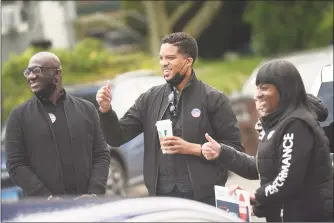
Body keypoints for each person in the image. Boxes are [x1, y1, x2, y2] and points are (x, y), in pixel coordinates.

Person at [96, 32, 244, 205]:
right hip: (162, 201)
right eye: (161, 58)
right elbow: (117, 137)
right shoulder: (150, 98)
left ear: (188, 61)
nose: (164, 63)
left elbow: (235, 151)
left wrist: (194, 148)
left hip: (204, 202)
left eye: (171, 58)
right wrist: (106, 110)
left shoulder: (214, 99)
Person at [201, 59, 333, 221]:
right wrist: (222, 153)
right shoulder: (276, 124)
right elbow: (262, 167)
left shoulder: (296, 125)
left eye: (265, 88)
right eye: (257, 88)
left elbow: (287, 181)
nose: (257, 94)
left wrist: (258, 196)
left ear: (283, 91)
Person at [5, 52, 111, 200]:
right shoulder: (19, 116)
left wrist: (94, 193)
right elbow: (16, 165)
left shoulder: (86, 109)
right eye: (28, 72)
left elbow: (101, 154)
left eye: (37, 70)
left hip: (87, 208)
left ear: (57, 74)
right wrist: (46, 198)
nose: (30, 76)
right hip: (44, 212)